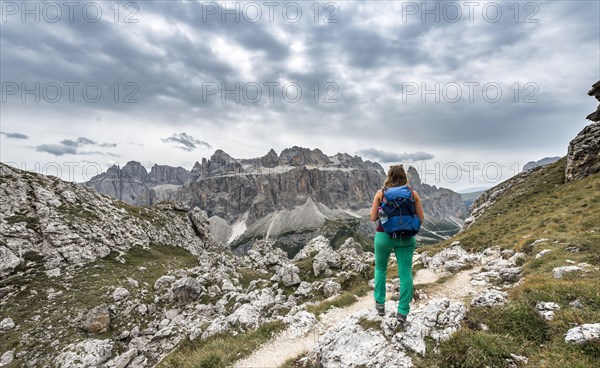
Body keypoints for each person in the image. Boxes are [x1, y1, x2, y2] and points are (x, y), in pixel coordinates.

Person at [369, 164, 424, 326]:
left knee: (380, 268)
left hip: (383, 236)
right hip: (406, 238)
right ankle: (402, 312)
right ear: (405, 178)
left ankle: (380, 304)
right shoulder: (413, 194)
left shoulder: (381, 194)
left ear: (389, 176)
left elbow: (373, 217)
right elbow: (421, 217)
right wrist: (407, 225)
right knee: (405, 272)